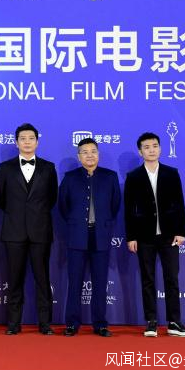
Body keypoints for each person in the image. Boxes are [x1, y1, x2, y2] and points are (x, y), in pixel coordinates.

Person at [124, 132, 185, 337]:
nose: (151, 150)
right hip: (144, 236)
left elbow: (179, 204)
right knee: (147, 279)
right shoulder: (133, 177)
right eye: (146, 147)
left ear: (160, 148)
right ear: (140, 151)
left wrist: (180, 231)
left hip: (169, 236)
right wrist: (131, 236)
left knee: (172, 278)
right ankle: (151, 322)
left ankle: (174, 322)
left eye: (155, 146)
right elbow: (129, 210)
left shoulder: (171, 173)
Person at [0, 123, 58, 335]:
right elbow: (0, 198)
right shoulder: (6, 168)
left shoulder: (48, 168)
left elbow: (52, 198)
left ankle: (45, 324)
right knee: (14, 279)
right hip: (14, 231)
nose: (27, 142)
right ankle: (13, 324)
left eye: (31, 138)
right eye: (23, 138)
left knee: (42, 279)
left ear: (37, 142)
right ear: (16, 143)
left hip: (40, 231)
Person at [59, 138, 120, 337]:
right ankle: (72, 323)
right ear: (79, 157)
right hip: (77, 236)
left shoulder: (110, 177)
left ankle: (100, 324)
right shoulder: (70, 178)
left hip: (101, 236)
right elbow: (63, 206)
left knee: (100, 283)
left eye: (93, 151)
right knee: (74, 282)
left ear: (98, 154)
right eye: (84, 152)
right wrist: (76, 223)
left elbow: (115, 205)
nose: (89, 155)